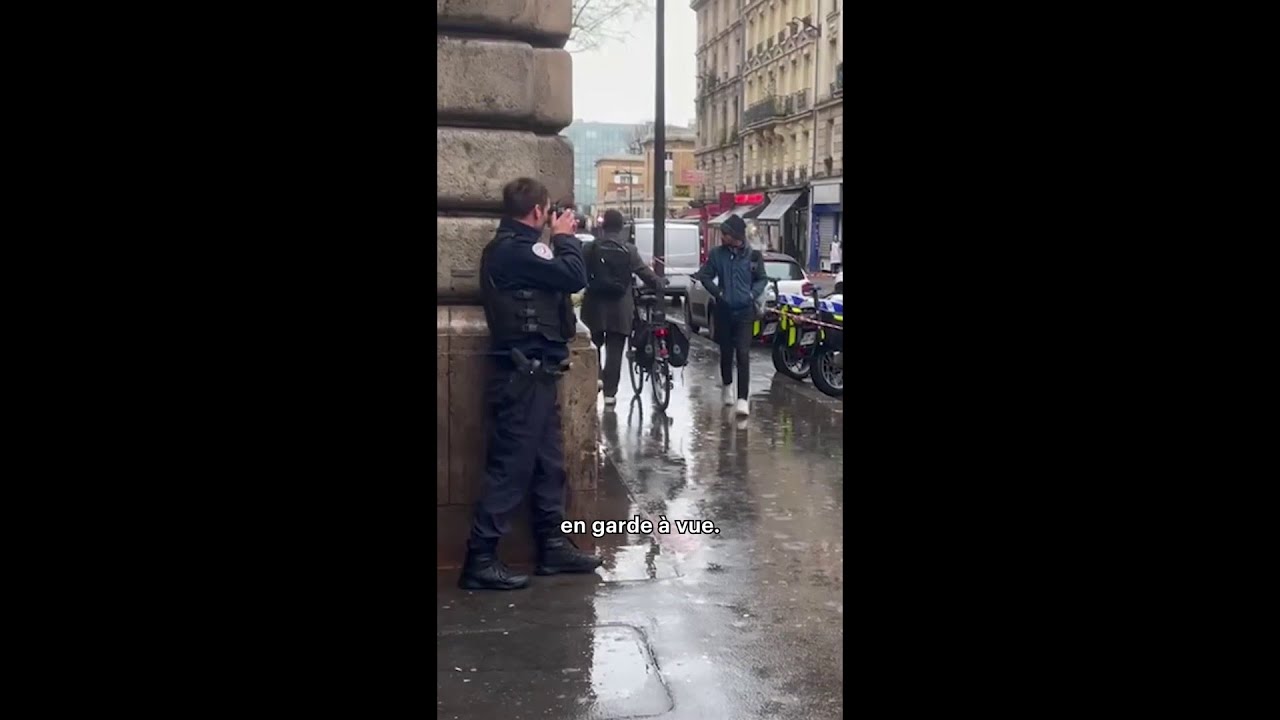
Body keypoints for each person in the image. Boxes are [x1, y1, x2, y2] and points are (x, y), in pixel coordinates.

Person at [460, 177, 604, 591]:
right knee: (510, 469)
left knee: (549, 466)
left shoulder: (517, 249)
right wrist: (565, 238)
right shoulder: (516, 249)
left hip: (537, 374)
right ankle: (480, 558)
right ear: (538, 212)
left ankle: (553, 546)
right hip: (522, 376)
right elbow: (574, 275)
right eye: (548, 214)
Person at [581, 210, 663, 406]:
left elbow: (580, 272)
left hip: (594, 307)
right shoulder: (629, 250)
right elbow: (644, 272)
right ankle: (610, 393)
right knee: (615, 352)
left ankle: (596, 378)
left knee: (594, 346)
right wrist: (659, 283)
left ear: (602, 226)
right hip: (620, 309)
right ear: (621, 227)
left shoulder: (589, 248)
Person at [692, 215, 767, 416]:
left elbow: (762, 279)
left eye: (725, 233)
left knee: (743, 353)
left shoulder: (753, 257)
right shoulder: (717, 254)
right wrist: (718, 293)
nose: (722, 237)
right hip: (724, 310)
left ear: (735, 236)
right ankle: (727, 386)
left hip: (745, 312)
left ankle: (743, 398)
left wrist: (752, 294)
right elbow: (705, 275)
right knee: (726, 352)